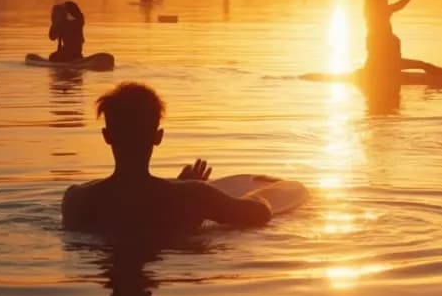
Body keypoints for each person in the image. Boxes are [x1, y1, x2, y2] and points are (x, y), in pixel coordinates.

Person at [62, 83, 293, 234]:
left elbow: (133, 209)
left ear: (107, 136)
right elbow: (260, 214)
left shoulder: (75, 200)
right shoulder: (193, 198)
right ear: (158, 137)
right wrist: (187, 189)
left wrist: (179, 185)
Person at [362, 0, 442, 80]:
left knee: (423, 65)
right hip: (385, 66)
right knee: (424, 65)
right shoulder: (378, 13)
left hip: (387, 65)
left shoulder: (376, 11)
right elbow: (396, 3)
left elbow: (374, 0)